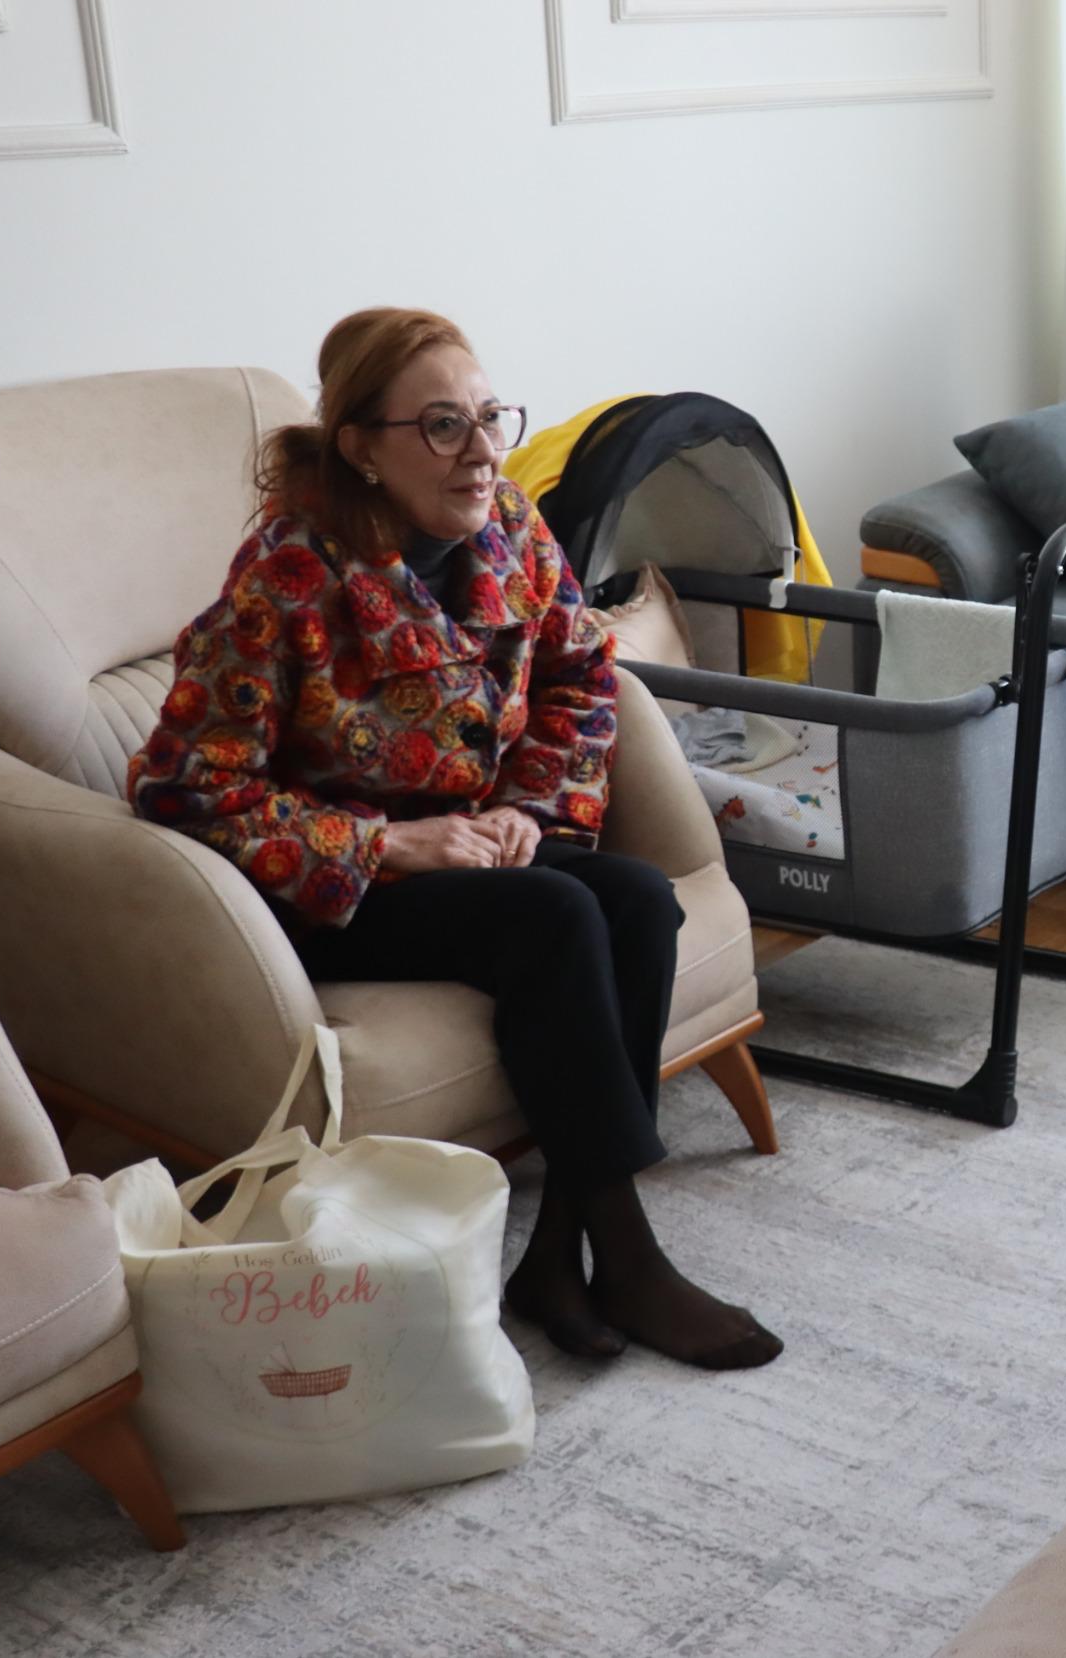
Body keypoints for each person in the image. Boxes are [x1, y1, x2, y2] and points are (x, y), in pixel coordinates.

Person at [129, 307, 780, 1371]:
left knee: (638, 899)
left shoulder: (510, 526)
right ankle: (626, 1255)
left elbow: (582, 673)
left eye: (488, 417)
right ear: (360, 447)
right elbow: (182, 786)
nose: (481, 451)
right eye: (441, 426)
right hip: (334, 889)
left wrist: (530, 808)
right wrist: (387, 848)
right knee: (558, 913)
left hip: (484, 844)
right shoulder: (290, 574)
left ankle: (559, 1251)